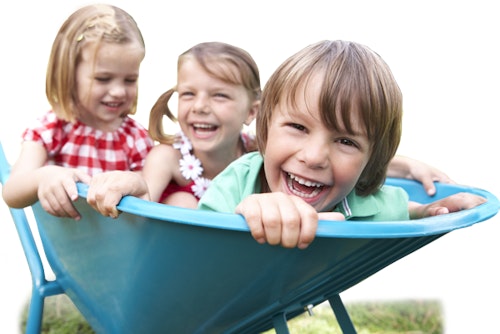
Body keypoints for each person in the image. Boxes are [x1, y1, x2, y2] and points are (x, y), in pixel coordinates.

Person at [198, 40, 486, 249]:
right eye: (298, 127)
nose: (313, 157)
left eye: (346, 141)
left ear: (370, 161)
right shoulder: (237, 182)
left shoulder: (359, 201)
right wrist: (251, 209)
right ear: (266, 126)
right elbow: (193, 245)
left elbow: (393, 207)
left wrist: (428, 211)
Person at [1, 4, 153, 220]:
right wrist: (46, 175)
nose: (119, 91)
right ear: (69, 74)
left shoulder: (135, 138)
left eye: (130, 80)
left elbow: (151, 203)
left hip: (124, 248)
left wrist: (134, 182)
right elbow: (12, 191)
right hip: (69, 249)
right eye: (103, 78)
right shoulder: (51, 129)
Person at [86, 41, 260, 216]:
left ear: (251, 111)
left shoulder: (259, 159)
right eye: (188, 94)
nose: (199, 106)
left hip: (236, 243)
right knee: (182, 202)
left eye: (220, 95)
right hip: (169, 239)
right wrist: (132, 183)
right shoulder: (168, 157)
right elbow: (142, 203)